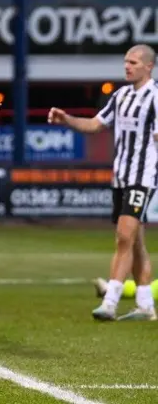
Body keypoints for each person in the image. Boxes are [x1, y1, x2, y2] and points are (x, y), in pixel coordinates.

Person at [48, 44, 158, 322]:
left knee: (123, 236)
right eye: (125, 61)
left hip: (142, 176)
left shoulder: (156, 97)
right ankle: (145, 305)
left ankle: (110, 302)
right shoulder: (120, 96)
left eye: (133, 62)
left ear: (149, 66)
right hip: (121, 176)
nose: (127, 66)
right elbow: (96, 124)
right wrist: (67, 119)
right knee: (134, 242)